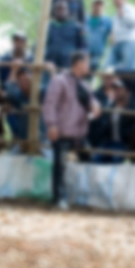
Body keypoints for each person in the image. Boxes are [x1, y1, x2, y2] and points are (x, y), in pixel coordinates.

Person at [42, 51, 96, 207]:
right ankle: (58, 198)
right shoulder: (59, 81)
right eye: (87, 62)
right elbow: (49, 104)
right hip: (62, 131)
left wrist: (95, 106)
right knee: (60, 165)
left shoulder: (85, 86)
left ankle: (85, 196)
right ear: (79, 63)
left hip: (80, 133)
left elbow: (92, 104)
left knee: (87, 159)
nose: (88, 66)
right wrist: (51, 124)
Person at [88, 78, 128, 163]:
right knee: (96, 159)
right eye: (115, 89)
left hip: (122, 143)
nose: (116, 91)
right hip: (109, 142)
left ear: (125, 90)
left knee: (115, 160)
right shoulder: (111, 106)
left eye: (119, 89)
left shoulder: (129, 106)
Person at [45, 0, 87, 71]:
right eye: (58, 9)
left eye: (63, 9)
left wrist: (80, 63)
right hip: (50, 65)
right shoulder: (49, 27)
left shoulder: (76, 26)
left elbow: (83, 46)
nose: (61, 11)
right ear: (54, 11)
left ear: (68, 10)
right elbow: (40, 45)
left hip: (68, 65)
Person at [109, 0, 135, 68]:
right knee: (108, 68)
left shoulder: (130, 9)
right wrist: (112, 36)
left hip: (128, 42)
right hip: (116, 44)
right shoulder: (116, 14)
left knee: (128, 67)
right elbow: (115, 28)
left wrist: (124, 16)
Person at [86, 0, 112, 72]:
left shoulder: (107, 21)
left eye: (100, 5)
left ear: (103, 7)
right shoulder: (85, 19)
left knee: (91, 72)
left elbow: (112, 35)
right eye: (96, 4)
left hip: (97, 54)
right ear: (92, 5)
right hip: (83, 52)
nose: (98, 7)